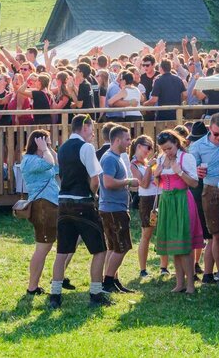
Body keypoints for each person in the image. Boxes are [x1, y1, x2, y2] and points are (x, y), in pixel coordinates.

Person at [49, 115, 110, 307]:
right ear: (84, 127)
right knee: (100, 250)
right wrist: (93, 194)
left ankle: (55, 295)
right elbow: (95, 179)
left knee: (62, 251)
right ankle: (96, 293)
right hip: (82, 202)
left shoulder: (63, 148)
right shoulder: (86, 147)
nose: (93, 133)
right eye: (91, 128)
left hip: (63, 202)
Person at [152, 130, 204, 294]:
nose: (167, 152)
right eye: (164, 149)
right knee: (174, 244)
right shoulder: (161, 159)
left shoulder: (186, 158)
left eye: (169, 148)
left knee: (184, 244)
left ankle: (190, 284)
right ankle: (179, 283)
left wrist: (179, 172)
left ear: (176, 143)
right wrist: (156, 176)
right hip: (167, 201)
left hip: (182, 200)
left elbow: (194, 183)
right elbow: (159, 184)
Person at [190, 112, 219, 284]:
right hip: (209, 189)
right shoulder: (198, 146)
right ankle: (215, 273)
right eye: (216, 134)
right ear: (209, 129)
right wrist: (196, 170)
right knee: (216, 235)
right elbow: (190, 169)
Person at [99, 125, 139, 294]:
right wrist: (129, 181)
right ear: (117, 140)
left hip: (113, 208)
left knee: (114, 247)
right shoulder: (110, 158)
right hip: (113, 209)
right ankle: (107, 281)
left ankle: (113, 280)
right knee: (122, 247)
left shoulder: (116, 157)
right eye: (127, 139)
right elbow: (108, 183)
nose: (130, 142)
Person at [20, 130, 59, 296]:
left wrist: (48, 148)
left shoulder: (44, 155)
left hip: (51, 203)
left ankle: (36, 285)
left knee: (46, 246)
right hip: (42, 205)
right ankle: (32, 287)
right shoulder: (30, 160)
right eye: (47, 141)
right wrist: (44, 149)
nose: (49, 145)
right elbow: (49, 164)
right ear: (38, 142)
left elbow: (56, 164)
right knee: (42, 247)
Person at [130, 135, 167, 278]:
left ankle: (164, 267)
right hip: (146, 200)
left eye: (152, 148)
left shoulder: (147, 163)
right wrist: (150, 168)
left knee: (163, 232)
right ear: (139, 146)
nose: (150, 151)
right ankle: (143, 269)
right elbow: (144, 184)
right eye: (148, 147)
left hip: (160, 196)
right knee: (146, 234)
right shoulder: (133, 164)